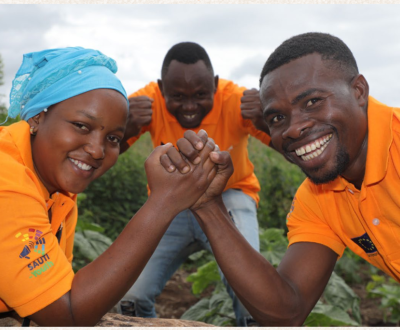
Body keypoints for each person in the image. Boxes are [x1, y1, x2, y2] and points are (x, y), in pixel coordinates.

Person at [166, 32, 400, 326]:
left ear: (358, 91)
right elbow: (286, 312)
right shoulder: (317, 199)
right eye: (277, 118)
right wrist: (207, 205)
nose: (292, 128)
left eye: (313, 101)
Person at [0, 46, 220, 326]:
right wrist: (163, 202)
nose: (96, 150)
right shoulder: (7, 183)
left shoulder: (57, 186)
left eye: (113, 138)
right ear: (37, 118)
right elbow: (65, 317)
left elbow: (56, 292)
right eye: (81, 125)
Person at [120, 41, 271, 326]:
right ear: (161, 88)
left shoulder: (237, 100)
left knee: (254, 294)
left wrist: (265, 120)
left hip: (231, 196)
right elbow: (102, 150)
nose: (189, 106)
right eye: (176, 96)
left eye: (201, 94)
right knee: (130, 296)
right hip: (170, 203)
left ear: (215, 85)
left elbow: (288, 143)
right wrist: (126, 126)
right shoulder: (146, 102)